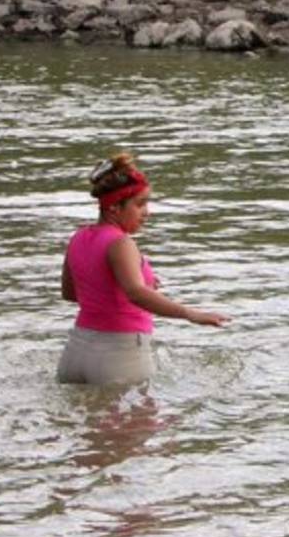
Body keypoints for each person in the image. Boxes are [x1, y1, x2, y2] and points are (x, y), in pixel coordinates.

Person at [58, 153, 229, 386]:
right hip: (118, 355)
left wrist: (127, 286)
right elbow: (136, 293)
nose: (147, 212)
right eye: (139, 204)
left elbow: (70, 293)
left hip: (76, 353)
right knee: (139, 422)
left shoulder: (78, 237)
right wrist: (190, 314)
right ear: (114, 208)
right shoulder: (120, 242)